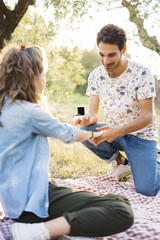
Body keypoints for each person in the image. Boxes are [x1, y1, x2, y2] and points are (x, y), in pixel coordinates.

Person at [0, 44, 134, 240]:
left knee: (92, 211)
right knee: (120, 207)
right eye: (44, 75)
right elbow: (66, 133)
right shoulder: (29, 111)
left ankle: (53, 229)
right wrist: (92, 135)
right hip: (36, 200)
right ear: (34, 79)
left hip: (14, 206)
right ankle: (36, 232)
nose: (44, 80)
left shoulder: (5, 108)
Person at [75, 24, 160, 197]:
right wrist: (85, 119)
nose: (106, 61)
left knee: (146, 190)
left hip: (141, 137)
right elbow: (93, 114)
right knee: (84, 132)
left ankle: (156, 159)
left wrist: (118, 131)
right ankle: (121, 163)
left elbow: (147, 116)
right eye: (101, 54)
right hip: (115, 132)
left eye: (112, 55)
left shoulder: (142, 73)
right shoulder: (96, 75)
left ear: (123, 50)